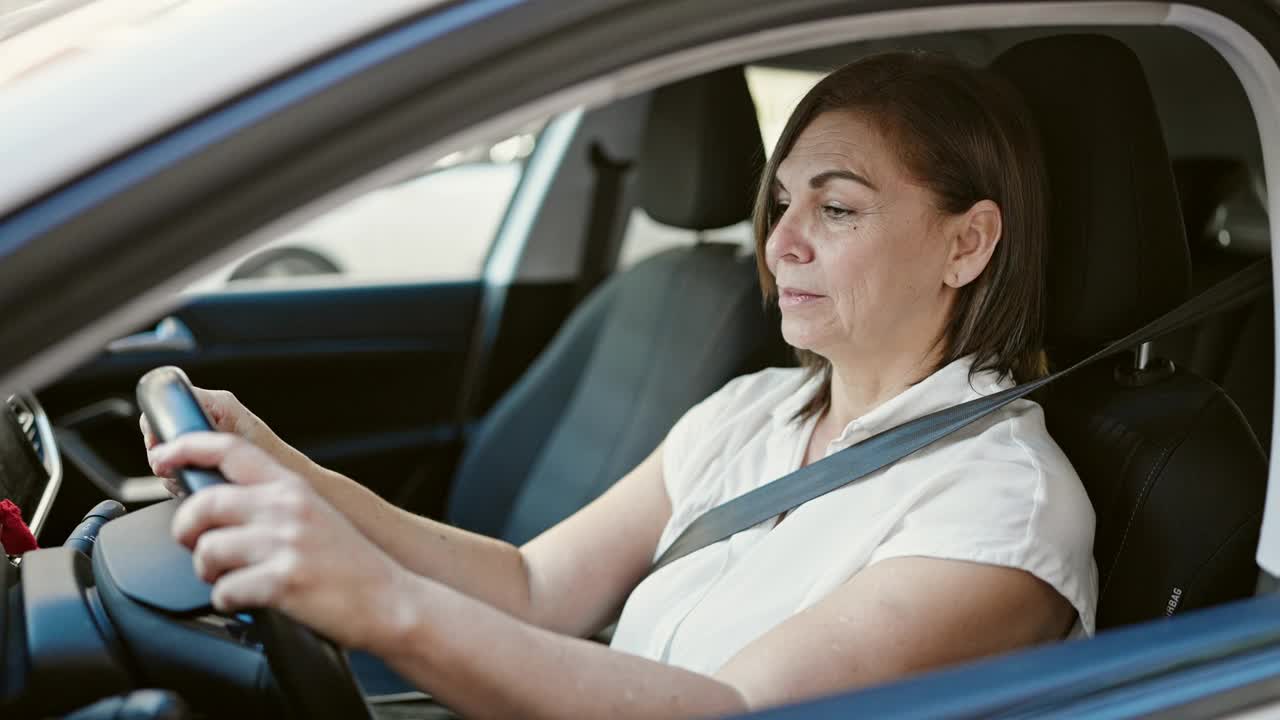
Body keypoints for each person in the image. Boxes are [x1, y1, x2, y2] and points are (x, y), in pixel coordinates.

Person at [142, 51, 1097, 719]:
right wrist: (286, 470)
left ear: (966, 243)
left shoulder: (1003, 505)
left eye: (837, 207)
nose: (781, 242)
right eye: (781, 202)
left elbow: (728, 711)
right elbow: (532, 586)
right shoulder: (751, 410)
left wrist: (382, 602)